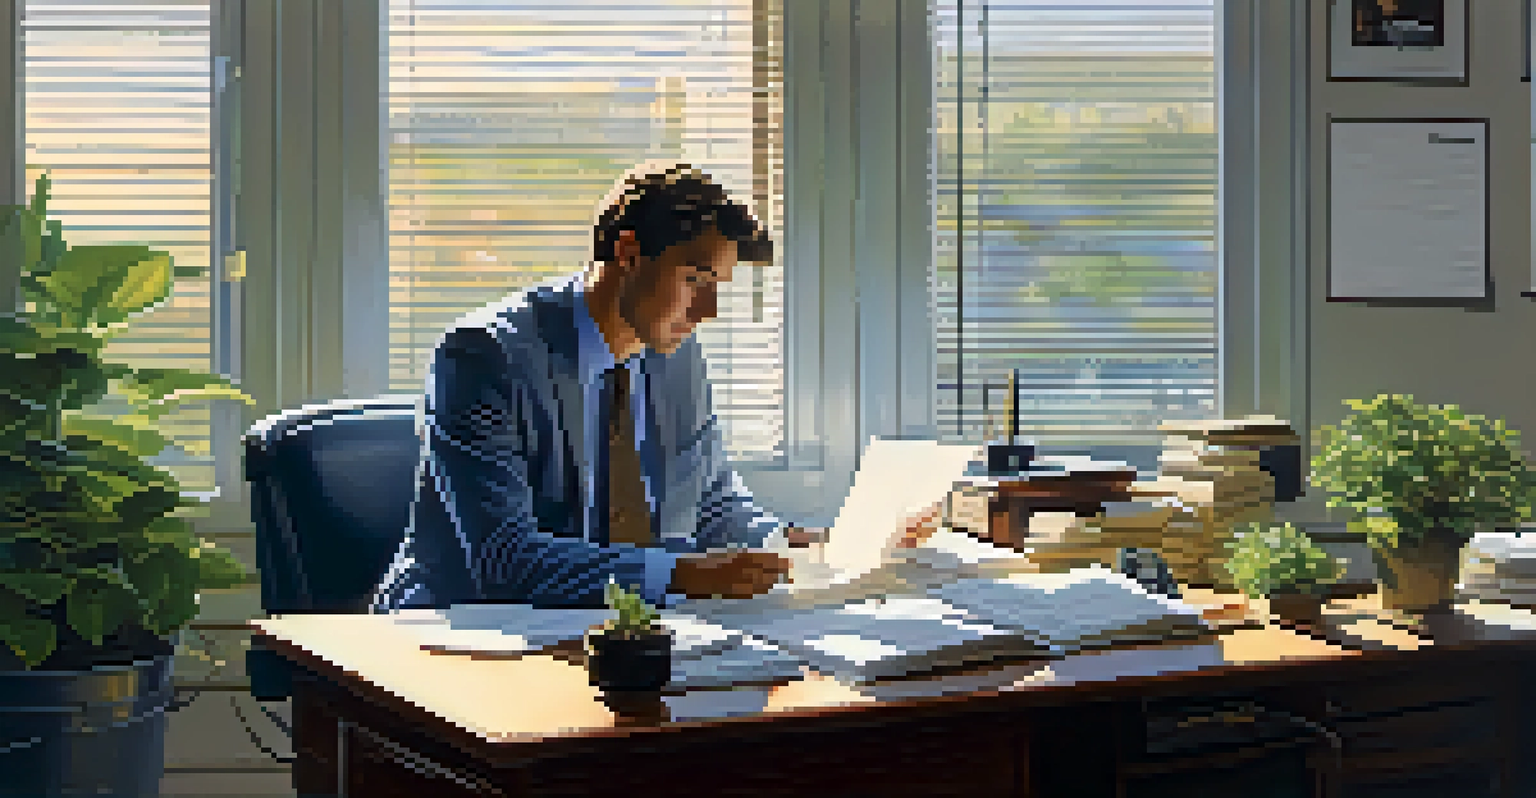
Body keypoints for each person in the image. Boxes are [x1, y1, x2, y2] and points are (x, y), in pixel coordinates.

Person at [372, 163, 939, 612]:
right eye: (695, 279)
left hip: (614, 632)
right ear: (628, 253)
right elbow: (504, 560)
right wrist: (685, 576)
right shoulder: (483, 356)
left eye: (718, 286)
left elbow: (713, 507)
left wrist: (802, 545)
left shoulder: (675, 353)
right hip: (465, 631)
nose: (709, 310)